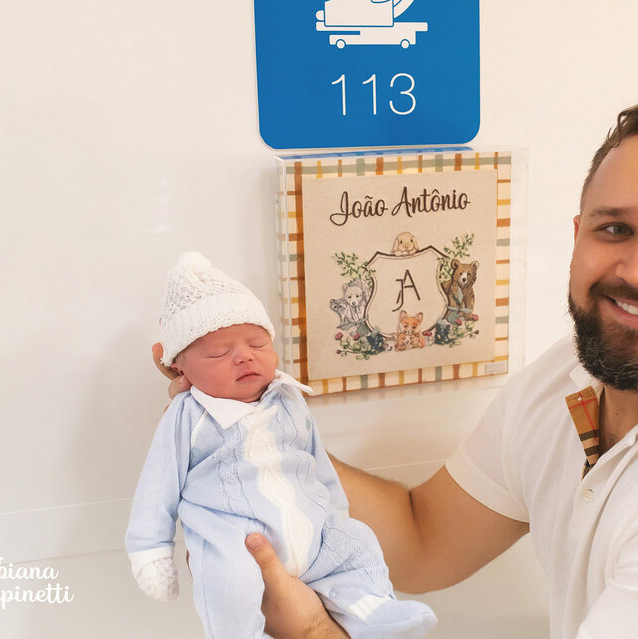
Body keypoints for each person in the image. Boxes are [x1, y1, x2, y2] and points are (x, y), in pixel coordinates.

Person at [159, 98, 638, 638]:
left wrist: (314, 630)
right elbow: (424, 537)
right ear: (578, 236)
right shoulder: (577, 377)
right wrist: (257, 431)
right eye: (616, 228)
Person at [128, 252, 436, 639]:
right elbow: (157, 485)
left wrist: (337, 516)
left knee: (359, 543)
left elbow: (317, 463)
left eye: (257, 343)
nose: (244, 357)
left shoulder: (288, 398)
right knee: (228, 580)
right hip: (238, 541)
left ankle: (374, 613)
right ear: (179, 367)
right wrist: (150, 548)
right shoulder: (188, 415)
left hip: (314, 532)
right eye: (219, 352)